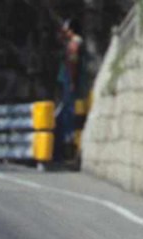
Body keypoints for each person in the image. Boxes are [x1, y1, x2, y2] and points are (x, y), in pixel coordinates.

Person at [55, 18, 83, 162]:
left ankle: (66, 147)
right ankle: (65, 146)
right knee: (65, 111)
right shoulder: (70, 42)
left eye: (66, 29)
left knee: (68, 113)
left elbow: (72, 62)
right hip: (67, 80)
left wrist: (71, 81)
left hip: (70, 81)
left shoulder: (74, 43)